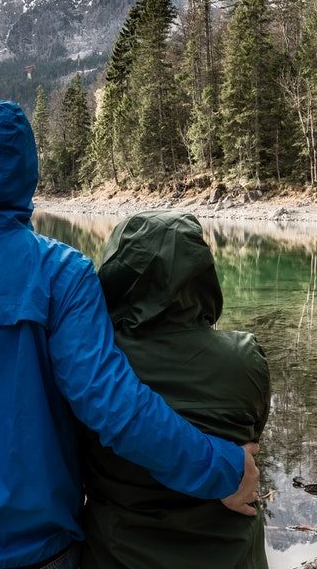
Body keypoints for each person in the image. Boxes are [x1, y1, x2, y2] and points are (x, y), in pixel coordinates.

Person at [0, 99, 259, 569]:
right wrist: (223, 469)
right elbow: (114, 409)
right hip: (37, 554)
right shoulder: (61, 273)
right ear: (26, 171)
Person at [81, 210, 271, 569]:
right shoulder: (245, 358)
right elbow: (253, 438)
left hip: (117, 556)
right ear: (201, 272)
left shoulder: (95, 365)